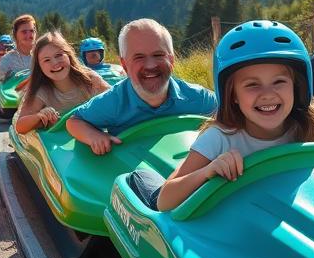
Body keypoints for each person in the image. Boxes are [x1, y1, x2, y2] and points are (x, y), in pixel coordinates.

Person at [151, 20, 314, 211]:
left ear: (296, 87)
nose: (268, 94)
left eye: (279, 82)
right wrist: (208, 171)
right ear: (232, 94)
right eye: (252, 85)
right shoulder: (221, 137)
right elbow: (165, 199)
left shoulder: (312, 125)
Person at [66, 18, 217, 155]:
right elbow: (75, 121)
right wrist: (94, 136)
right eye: (139, 57)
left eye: (158, 55)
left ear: (171, 60)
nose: (150, 65)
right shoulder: (114, 101)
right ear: (124, 65)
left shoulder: (198, 98)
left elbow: (229, 113)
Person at [13, 31, 110, 133]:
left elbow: (116, 100)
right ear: (39, 67)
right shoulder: (41, 91)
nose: (55, 63)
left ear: (68, 55)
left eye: (59, 55)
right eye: (47, 60)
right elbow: (20, 126)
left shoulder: (90, 79)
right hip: (60, 144)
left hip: (94, 136)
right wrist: (39, 116)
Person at [0, 14, 37, 84]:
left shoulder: (41, 55)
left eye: (32, 31)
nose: (29, 35)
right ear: (15, 34)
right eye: (24, 32)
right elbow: (1, 86)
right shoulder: (7, 60)